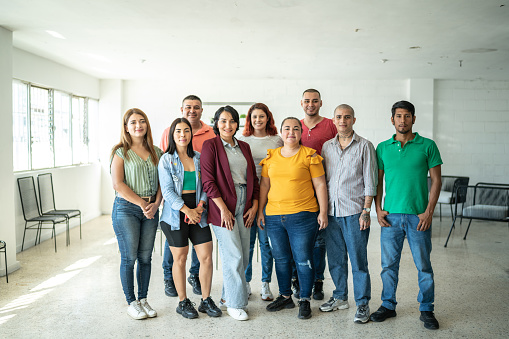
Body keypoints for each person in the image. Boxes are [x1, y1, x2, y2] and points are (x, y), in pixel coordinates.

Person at [370, 100, 442, 330]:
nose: (403, 120)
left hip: (418, 217)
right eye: (399, 116)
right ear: (392, 120)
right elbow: (378, 181)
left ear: (413, 119)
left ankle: (427, 308)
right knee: (388, 265)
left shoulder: (428, 145)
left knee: (423, 265)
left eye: (407, 116)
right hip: (391, 217)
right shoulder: (382, 147)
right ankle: (388, 305)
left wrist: (428, 212)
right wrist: (378, 209)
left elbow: (437, 180)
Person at [257, 117, 328, 320]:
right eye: (287, 128)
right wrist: (261, 210)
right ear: (281, 132)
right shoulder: (271, 157)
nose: (291, 132)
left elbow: (320, 185)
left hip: (303, 216)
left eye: (296, 128)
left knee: (303, 259)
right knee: (281, 259)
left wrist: (323, 212)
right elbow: (264, 186)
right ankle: (285, 295)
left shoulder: (310, 156)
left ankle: (304, 299)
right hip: (273, 216)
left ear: (301, 132)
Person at [158, 118, 222, 319]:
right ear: (172, 134)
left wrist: (201, 206)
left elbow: (204, 186)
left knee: (206, 257)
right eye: (178, 131)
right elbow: (167, 192)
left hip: (197, 212)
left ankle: (205, 299)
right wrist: (187, 211)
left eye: (186, 131)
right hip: (175, 215)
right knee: (181, 258)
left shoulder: (198, 157)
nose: (183, 135)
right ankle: (183, 302)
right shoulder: (166, 160)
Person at [201, 105, 260, 321]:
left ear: (238, 124)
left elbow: (253, 178)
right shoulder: (211, 146)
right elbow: (208, 181)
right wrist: (223, 209)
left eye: (232, 121)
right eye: (223, 121)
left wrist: (254, 205)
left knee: (243, 255)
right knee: (233, 254)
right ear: (216, 123)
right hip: (222, 204)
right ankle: (235, 304)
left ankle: (227, 297)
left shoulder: (244, 147)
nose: (228, 125)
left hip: (245, 203)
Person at [320, 104, 378, 324]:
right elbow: (323, 180)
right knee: (335, 259)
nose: (342, 121)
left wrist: (366, 211)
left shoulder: (365, 146)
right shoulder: (327, 147)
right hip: (332, 213)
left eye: (347, 117)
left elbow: (371, 181)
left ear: (354, 120)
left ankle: (362, 303)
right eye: (338, 117)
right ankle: (340, 297)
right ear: (333, 120)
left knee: (358, 260)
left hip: (355, 213)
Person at [110, 108, 163, 320]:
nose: (138, 125)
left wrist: (156, 203)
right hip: (127, 209)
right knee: (129, 257)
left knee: (145, 257)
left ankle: (143, 299)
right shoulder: (120, 152)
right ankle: (131, 302)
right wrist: (142, 203)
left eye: (142, 121)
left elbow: (163, 183)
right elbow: (118, 184)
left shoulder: (156, 152)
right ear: (126, 127)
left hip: (151, 209)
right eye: (133, 122)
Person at [238, 103, 283, 301]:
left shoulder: (276, 140)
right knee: (247, 244)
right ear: (249, 119)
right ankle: (246, 283)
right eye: (254, 117)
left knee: (266, 244)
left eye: (261, 116)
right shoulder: (242, 139)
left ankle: (265, 284)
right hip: (247, 197)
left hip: (269, 197)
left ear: (268, 118)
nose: (258, 120)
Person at [296, 89, 337, 300]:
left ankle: (318, 281)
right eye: (307, 101)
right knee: (299, 239)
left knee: (320, 240)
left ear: (321, 102)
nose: (310, 104)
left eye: (314, 101)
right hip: (299, 192)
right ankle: (299, 280)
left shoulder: (331, 125)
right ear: (301, 103)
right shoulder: (296, 126)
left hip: (323, 188)